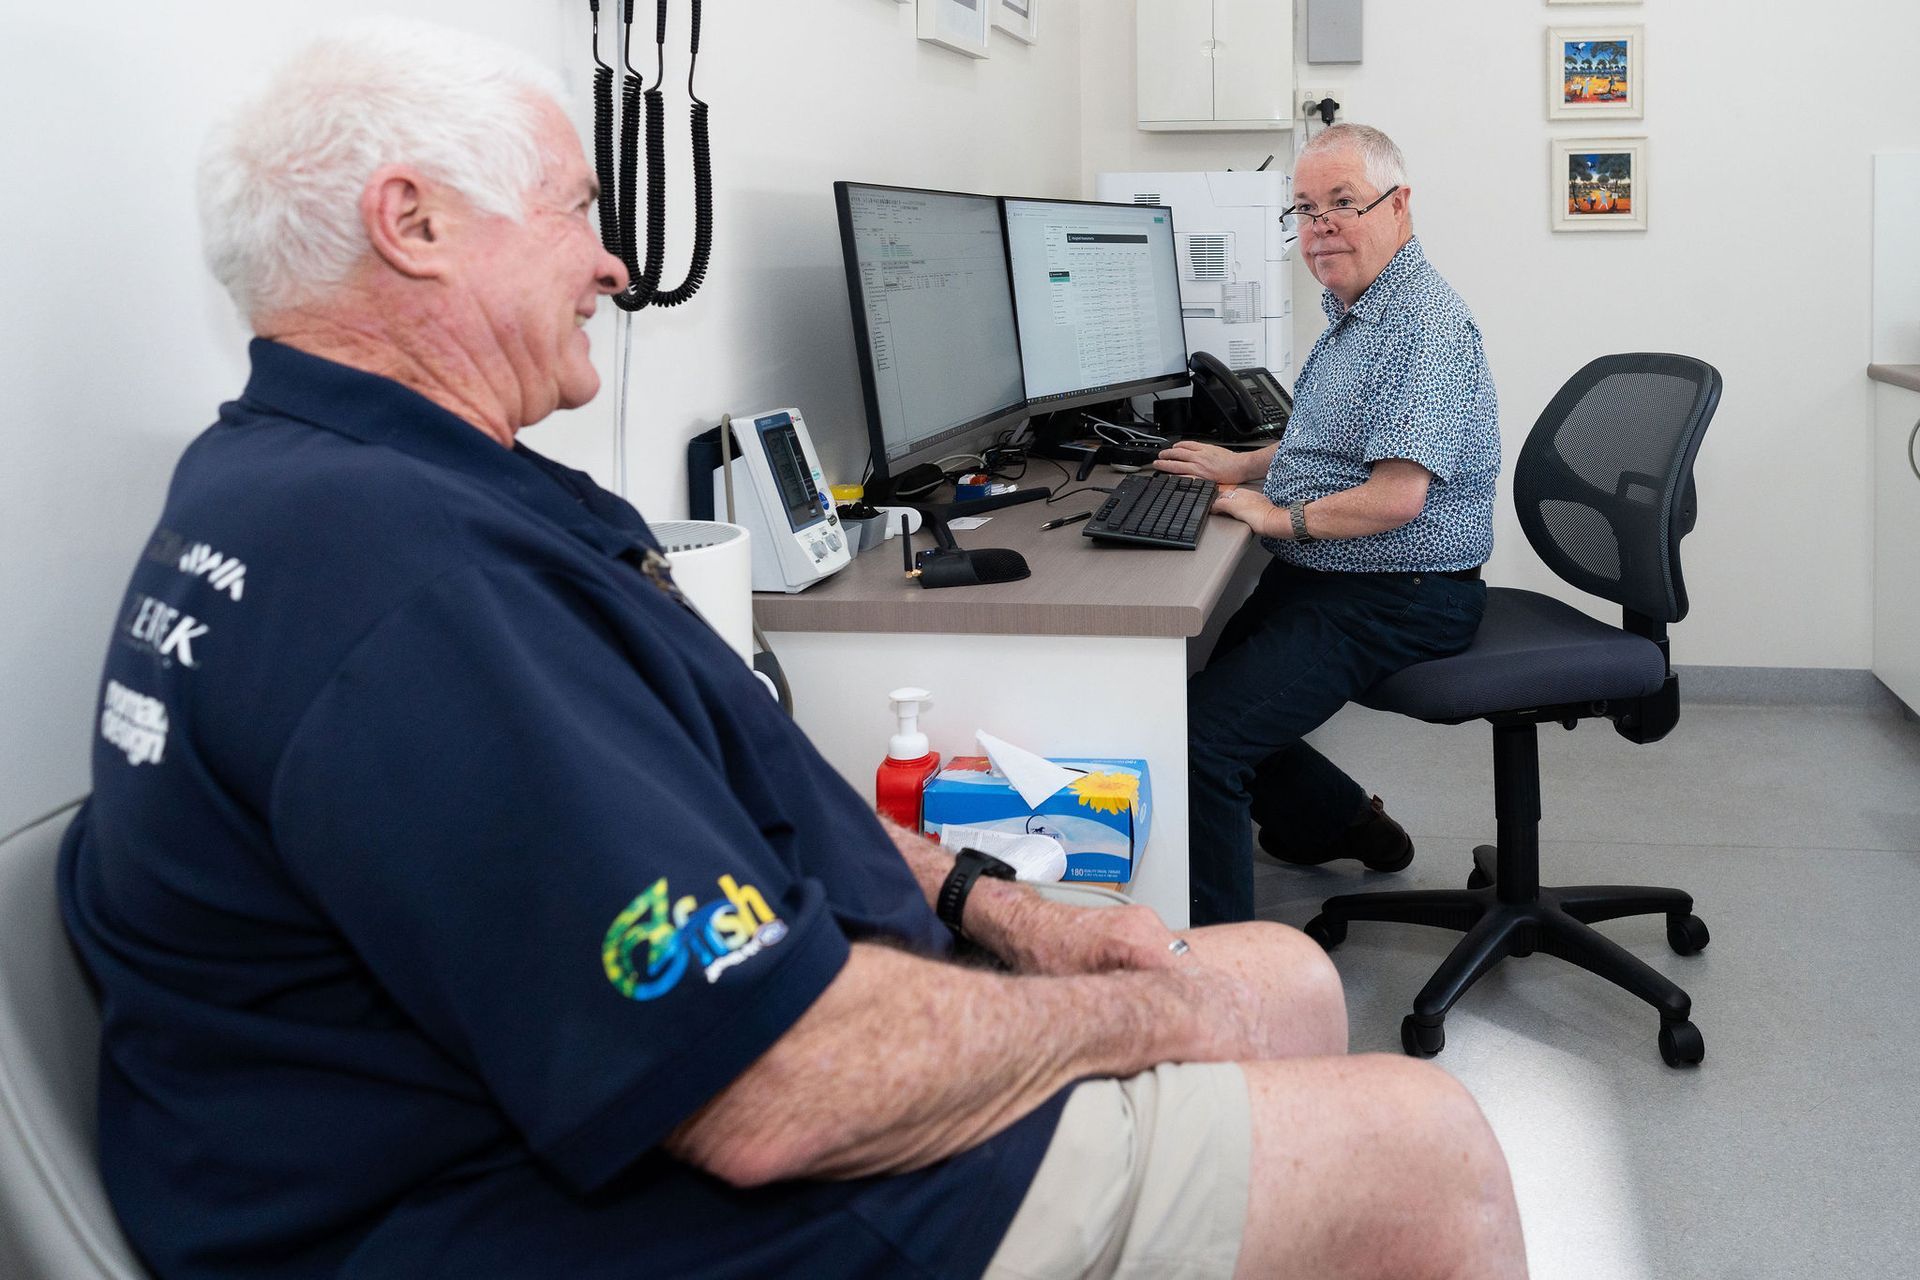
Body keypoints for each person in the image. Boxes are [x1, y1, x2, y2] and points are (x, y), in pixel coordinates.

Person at [58, 25, 1526, 1280]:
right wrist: (1125, 1017)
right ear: (414, 223)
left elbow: (691, 831)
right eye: (576, 208)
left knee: (1280, 978)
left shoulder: (344, 487)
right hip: (624, 1199)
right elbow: (772, 1090)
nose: (615, 260)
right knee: (1428, 1146)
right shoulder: (403, 580)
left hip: (706, 1063)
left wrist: (986, 900)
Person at [1158, 124, 1500, 927]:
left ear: (1398, 204)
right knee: (1201, 701)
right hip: (1340, 574)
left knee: (1199, 742)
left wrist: (1276, 513)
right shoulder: (1360, 308)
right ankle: (1343, 824)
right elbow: (1333, 441)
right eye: (1305, 209)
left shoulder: (1421, 325)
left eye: (1343, 203)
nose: (1320, 227)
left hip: (1399, 591)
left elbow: (1394, 497)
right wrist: (1241, 467)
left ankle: (1226, 988)